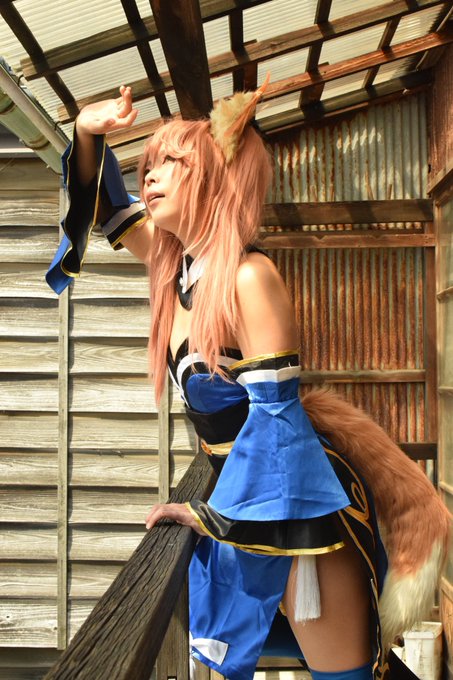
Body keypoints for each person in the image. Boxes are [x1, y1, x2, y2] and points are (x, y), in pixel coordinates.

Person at [47, 84, 450, 680]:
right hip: (242, 505)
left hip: (295, 514)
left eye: (172, 163)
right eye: (149, 164)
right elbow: (105, 207)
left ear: (216, 178)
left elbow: (277, 422)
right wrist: (87, 131)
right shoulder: (178, 269)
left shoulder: (248, 277)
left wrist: (210, 517)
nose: (150, 176)